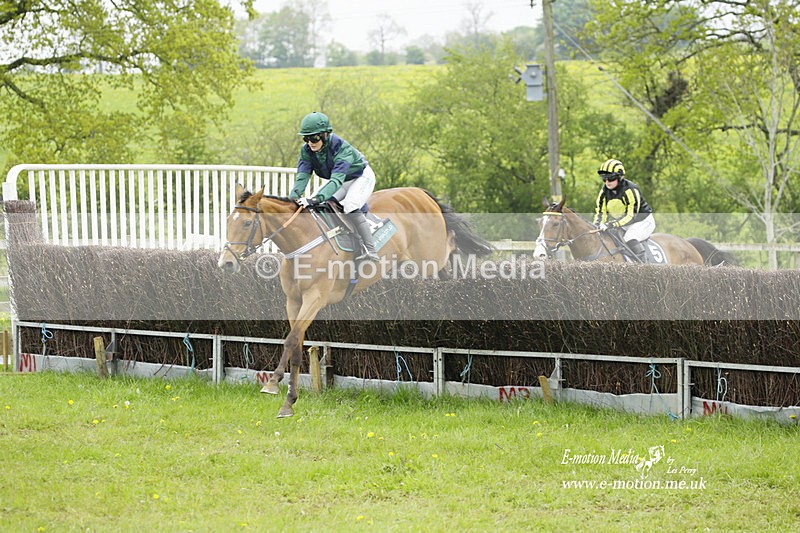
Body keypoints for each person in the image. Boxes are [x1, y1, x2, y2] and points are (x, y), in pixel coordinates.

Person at [289, 111, 380, 262]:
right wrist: (293, 197)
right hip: (343, 180)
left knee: (350, 205)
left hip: (361, 177)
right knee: (322, 205)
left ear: (325, 135)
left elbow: (336, 180)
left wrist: (315, 198)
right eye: (306, 138)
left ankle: (371, 250)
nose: (310, 142)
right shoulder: (306, 150)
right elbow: (303, 176)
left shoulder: (341, 148)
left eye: (314, 137)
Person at [592, 158, 655, 262]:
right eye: (604, 179)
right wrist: (596, 226)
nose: (607, 182)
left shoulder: (630, 190)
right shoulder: (604, 192)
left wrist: (611, 224)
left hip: (642, 221)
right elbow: (600, 213)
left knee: (630, 237)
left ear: (619, 177)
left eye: (610, 178)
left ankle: (645, 268)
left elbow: (630, 216)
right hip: (623, 223)